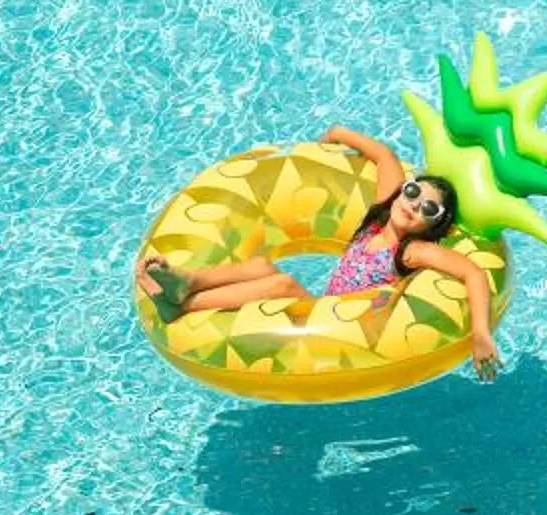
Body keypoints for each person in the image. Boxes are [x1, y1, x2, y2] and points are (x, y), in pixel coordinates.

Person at [138, 126, 502, 380]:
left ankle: (183, 304)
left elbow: (472, 272)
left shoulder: (411, 251)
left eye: (429, 210)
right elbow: (383, 155)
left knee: (282, 283)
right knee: (264, 264)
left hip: (342, 331)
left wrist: (481, 334)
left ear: (433, 226)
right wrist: (336, 135)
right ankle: (187, 281)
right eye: (412, 194)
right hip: (324, 306)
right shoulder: (379, 216)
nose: (414, 206)